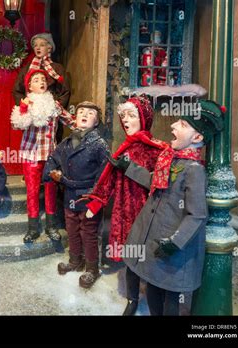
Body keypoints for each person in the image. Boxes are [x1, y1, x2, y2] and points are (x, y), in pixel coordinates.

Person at [121, 100, 224, 315]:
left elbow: (197, 215)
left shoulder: (194, 170)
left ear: (197, 138)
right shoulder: (171, 159)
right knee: (153, 287)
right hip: (154, 236)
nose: (173, 126)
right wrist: (129, 168)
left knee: (170, 299)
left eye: (182, 124)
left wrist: (175, 243)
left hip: (172, 246)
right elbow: (155, 181)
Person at [82, 96, 167, 314]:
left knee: (148, 258)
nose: (126, 120)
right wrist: (96, 202)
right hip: (124, 212)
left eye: (132, 115)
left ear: (144, 118)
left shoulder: (157, 150)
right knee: (130, 259)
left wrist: (129, 168)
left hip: (147, 214)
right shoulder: (124, 148)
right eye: (124, 116)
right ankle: (132, 300)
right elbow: (108, 178)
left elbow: (158, 184)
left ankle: (156, 301)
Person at [43, 101, 109, 288]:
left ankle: (91, 269)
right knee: (71, 229)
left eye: (90, 113)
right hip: (69, 195)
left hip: (88, 196)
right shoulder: (67, 142)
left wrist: (96, 199)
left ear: (96, 122)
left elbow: (105, 174)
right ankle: (75, 261)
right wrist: (50, 173)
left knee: (88, 232)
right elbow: (52, 158)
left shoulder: (99, 145)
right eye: (80, 112)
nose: (84, 115)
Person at [10, 69, 75, 244]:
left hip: (51, 155)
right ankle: (32, 228)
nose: (41, 81)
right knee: (32, 191)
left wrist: (88, 122)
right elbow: (18, 125)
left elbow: (70, 120)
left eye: (43, 79)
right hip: (31, 153)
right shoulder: (26, 104)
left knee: (51, 189)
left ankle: (51, 226)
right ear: (29, 85)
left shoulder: (54, 104)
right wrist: (23, 108)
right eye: (36, 79)